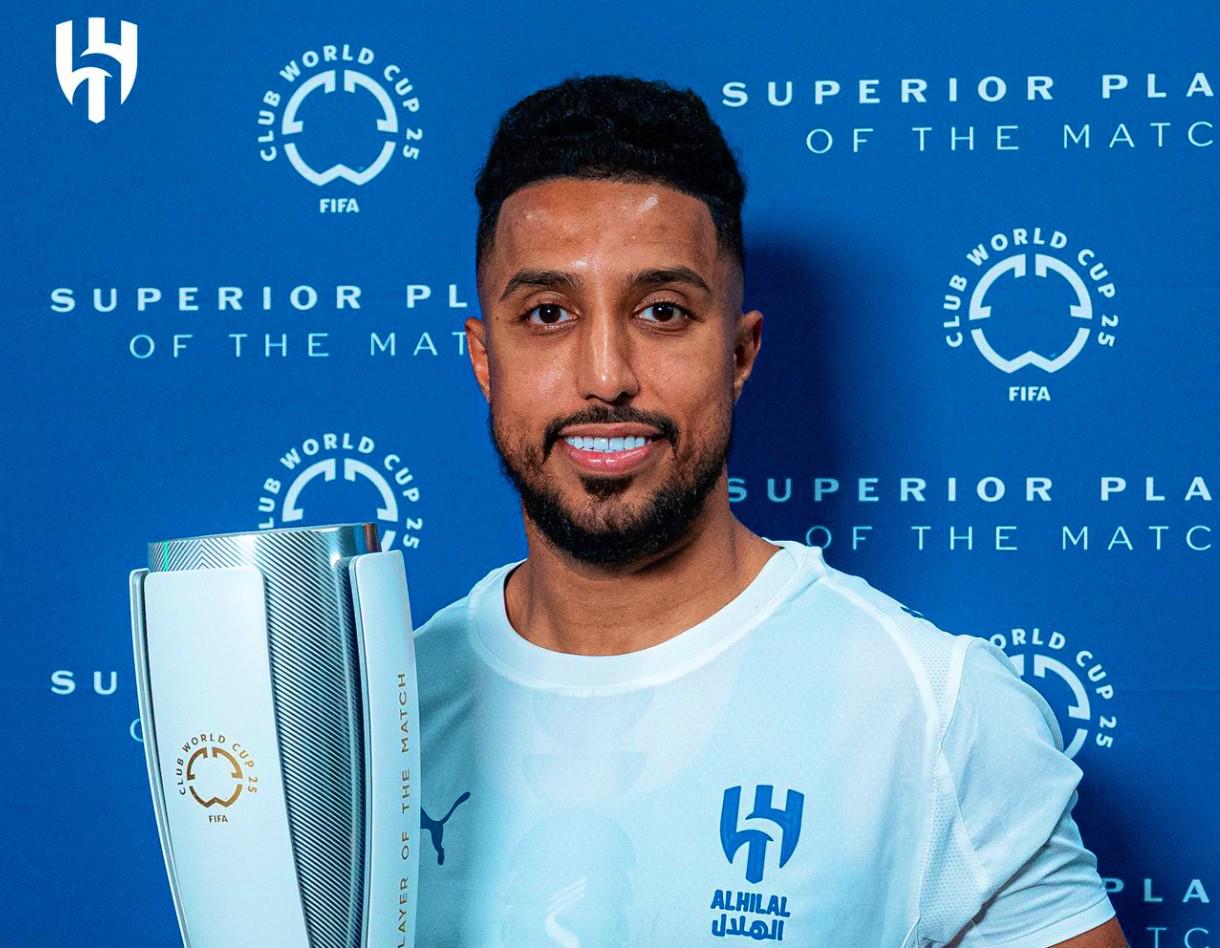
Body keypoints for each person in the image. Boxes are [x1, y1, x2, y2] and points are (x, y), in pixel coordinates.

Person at [413, 75, 1126, 947]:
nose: (606, 376)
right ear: (486, 360)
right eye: (549, 313)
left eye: (662, 311)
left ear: (739, 354)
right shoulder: (379, 718)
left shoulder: (930, 710)